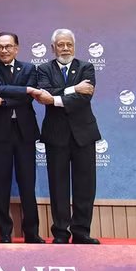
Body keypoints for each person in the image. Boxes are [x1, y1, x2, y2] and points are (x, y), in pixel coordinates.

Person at [32, 28, 100, 244]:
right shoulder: (42, 69)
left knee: (85, 186)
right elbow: (44, 93)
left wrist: (55, 98)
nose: (65, 48)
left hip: (83, 135)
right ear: (53, 48)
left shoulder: (86, 67)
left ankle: (81, 232)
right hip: (56, 135)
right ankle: (61, 233)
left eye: (69, 44)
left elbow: (84, 97)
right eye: (60, 44)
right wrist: (72, 90)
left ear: (74, 46)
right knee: (58, 186)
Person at [0, 32, 45, 244]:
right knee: (1, 183)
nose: (4, 50)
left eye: (8, 46)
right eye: (0, 47)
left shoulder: (29, 68)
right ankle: (5, 232)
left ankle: (32, 233)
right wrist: (26, 89)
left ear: (17, 48)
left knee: (27, 183)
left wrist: (3, 101)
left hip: (24, 132)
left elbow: (26, 100)